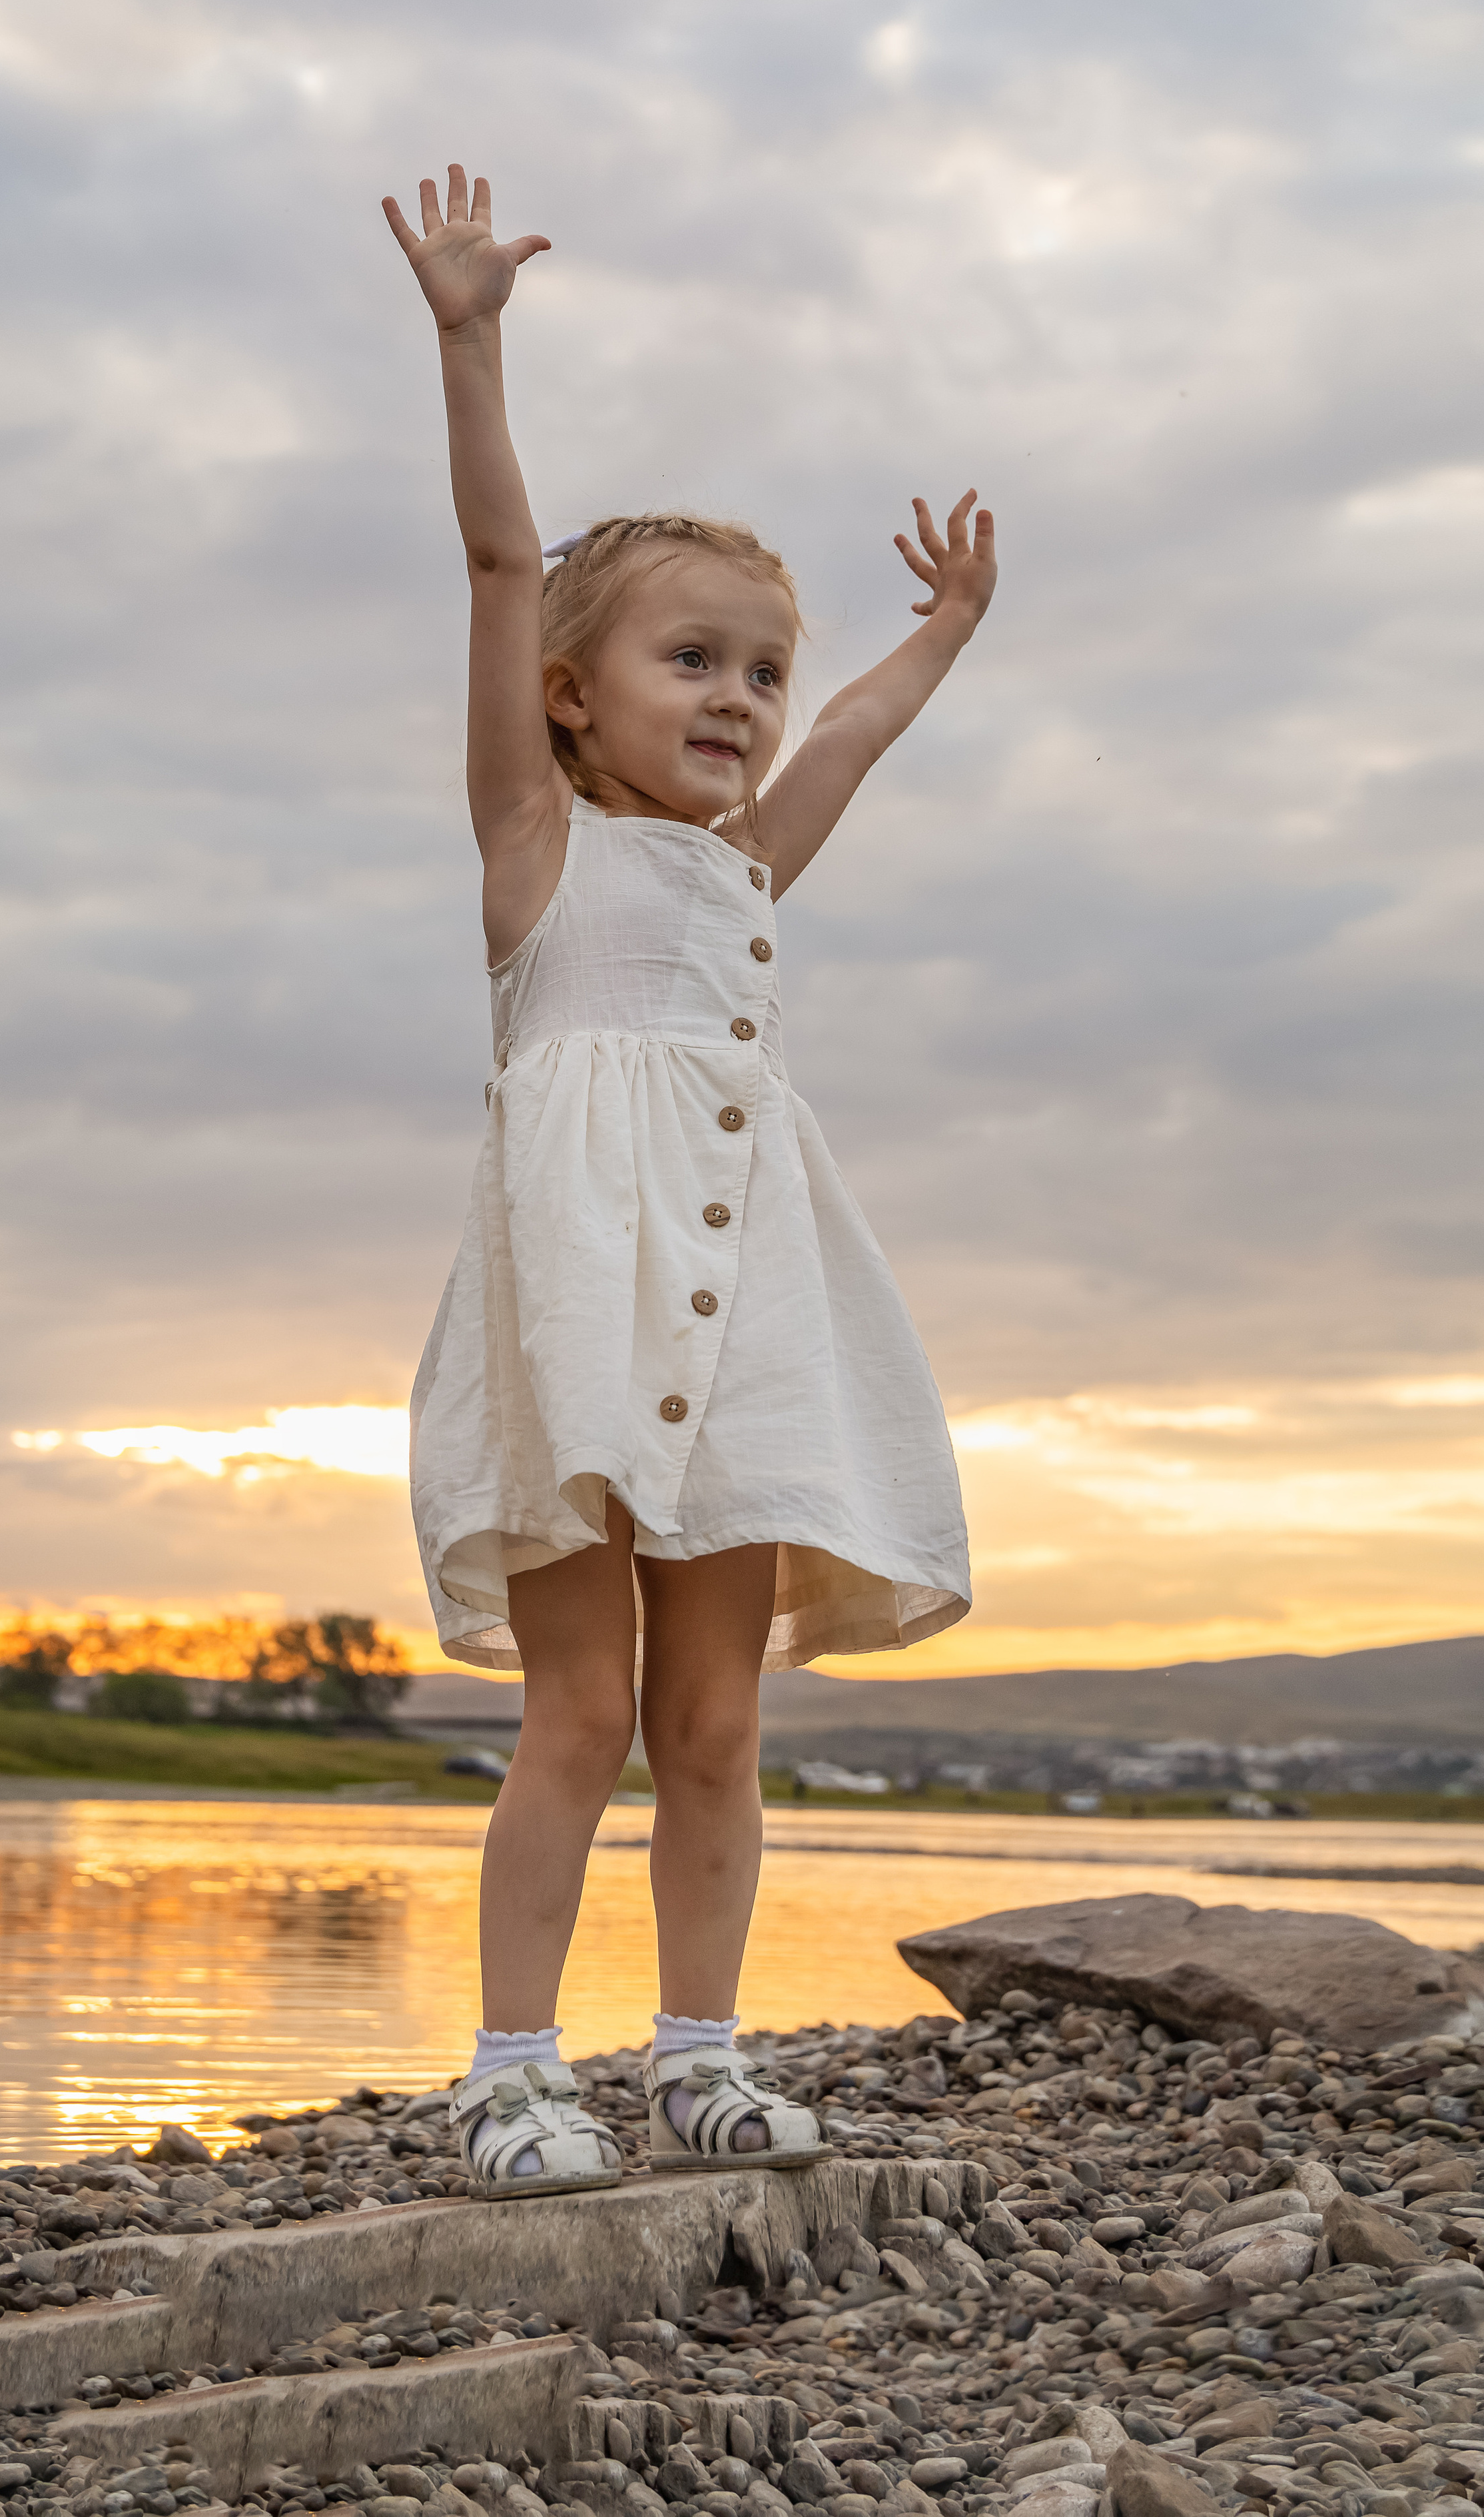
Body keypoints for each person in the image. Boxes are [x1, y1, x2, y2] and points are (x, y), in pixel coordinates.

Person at [383, 166, 995, 2197]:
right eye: (690, 662)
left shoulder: (739, 871)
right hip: (580, 1322)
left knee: (717, 1727)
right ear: (576, 695)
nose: (736, 702)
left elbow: (857, 744)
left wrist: (946, 633)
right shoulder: (536, 857)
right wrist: (471, 341)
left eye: (757, 668)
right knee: (581, 1714)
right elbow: (493, 566)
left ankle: (704, 2058)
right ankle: (507, 2070)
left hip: (741, 1332)